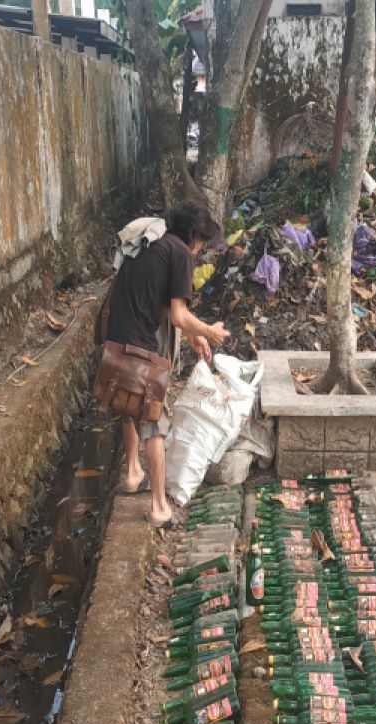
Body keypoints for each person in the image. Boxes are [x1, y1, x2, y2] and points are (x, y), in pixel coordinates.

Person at [102, 201, 229, 527]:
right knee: (154, 425)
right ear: (195, 236)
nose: (201, 250)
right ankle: (159, 507)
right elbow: (177, 314)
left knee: (127, 407)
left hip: (114, 342)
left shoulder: (153, 243)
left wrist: (193, 335)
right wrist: (209, 331)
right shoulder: (181, 254)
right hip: (140, 350)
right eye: (202, 241)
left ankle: (132, 473)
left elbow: (154, 301)